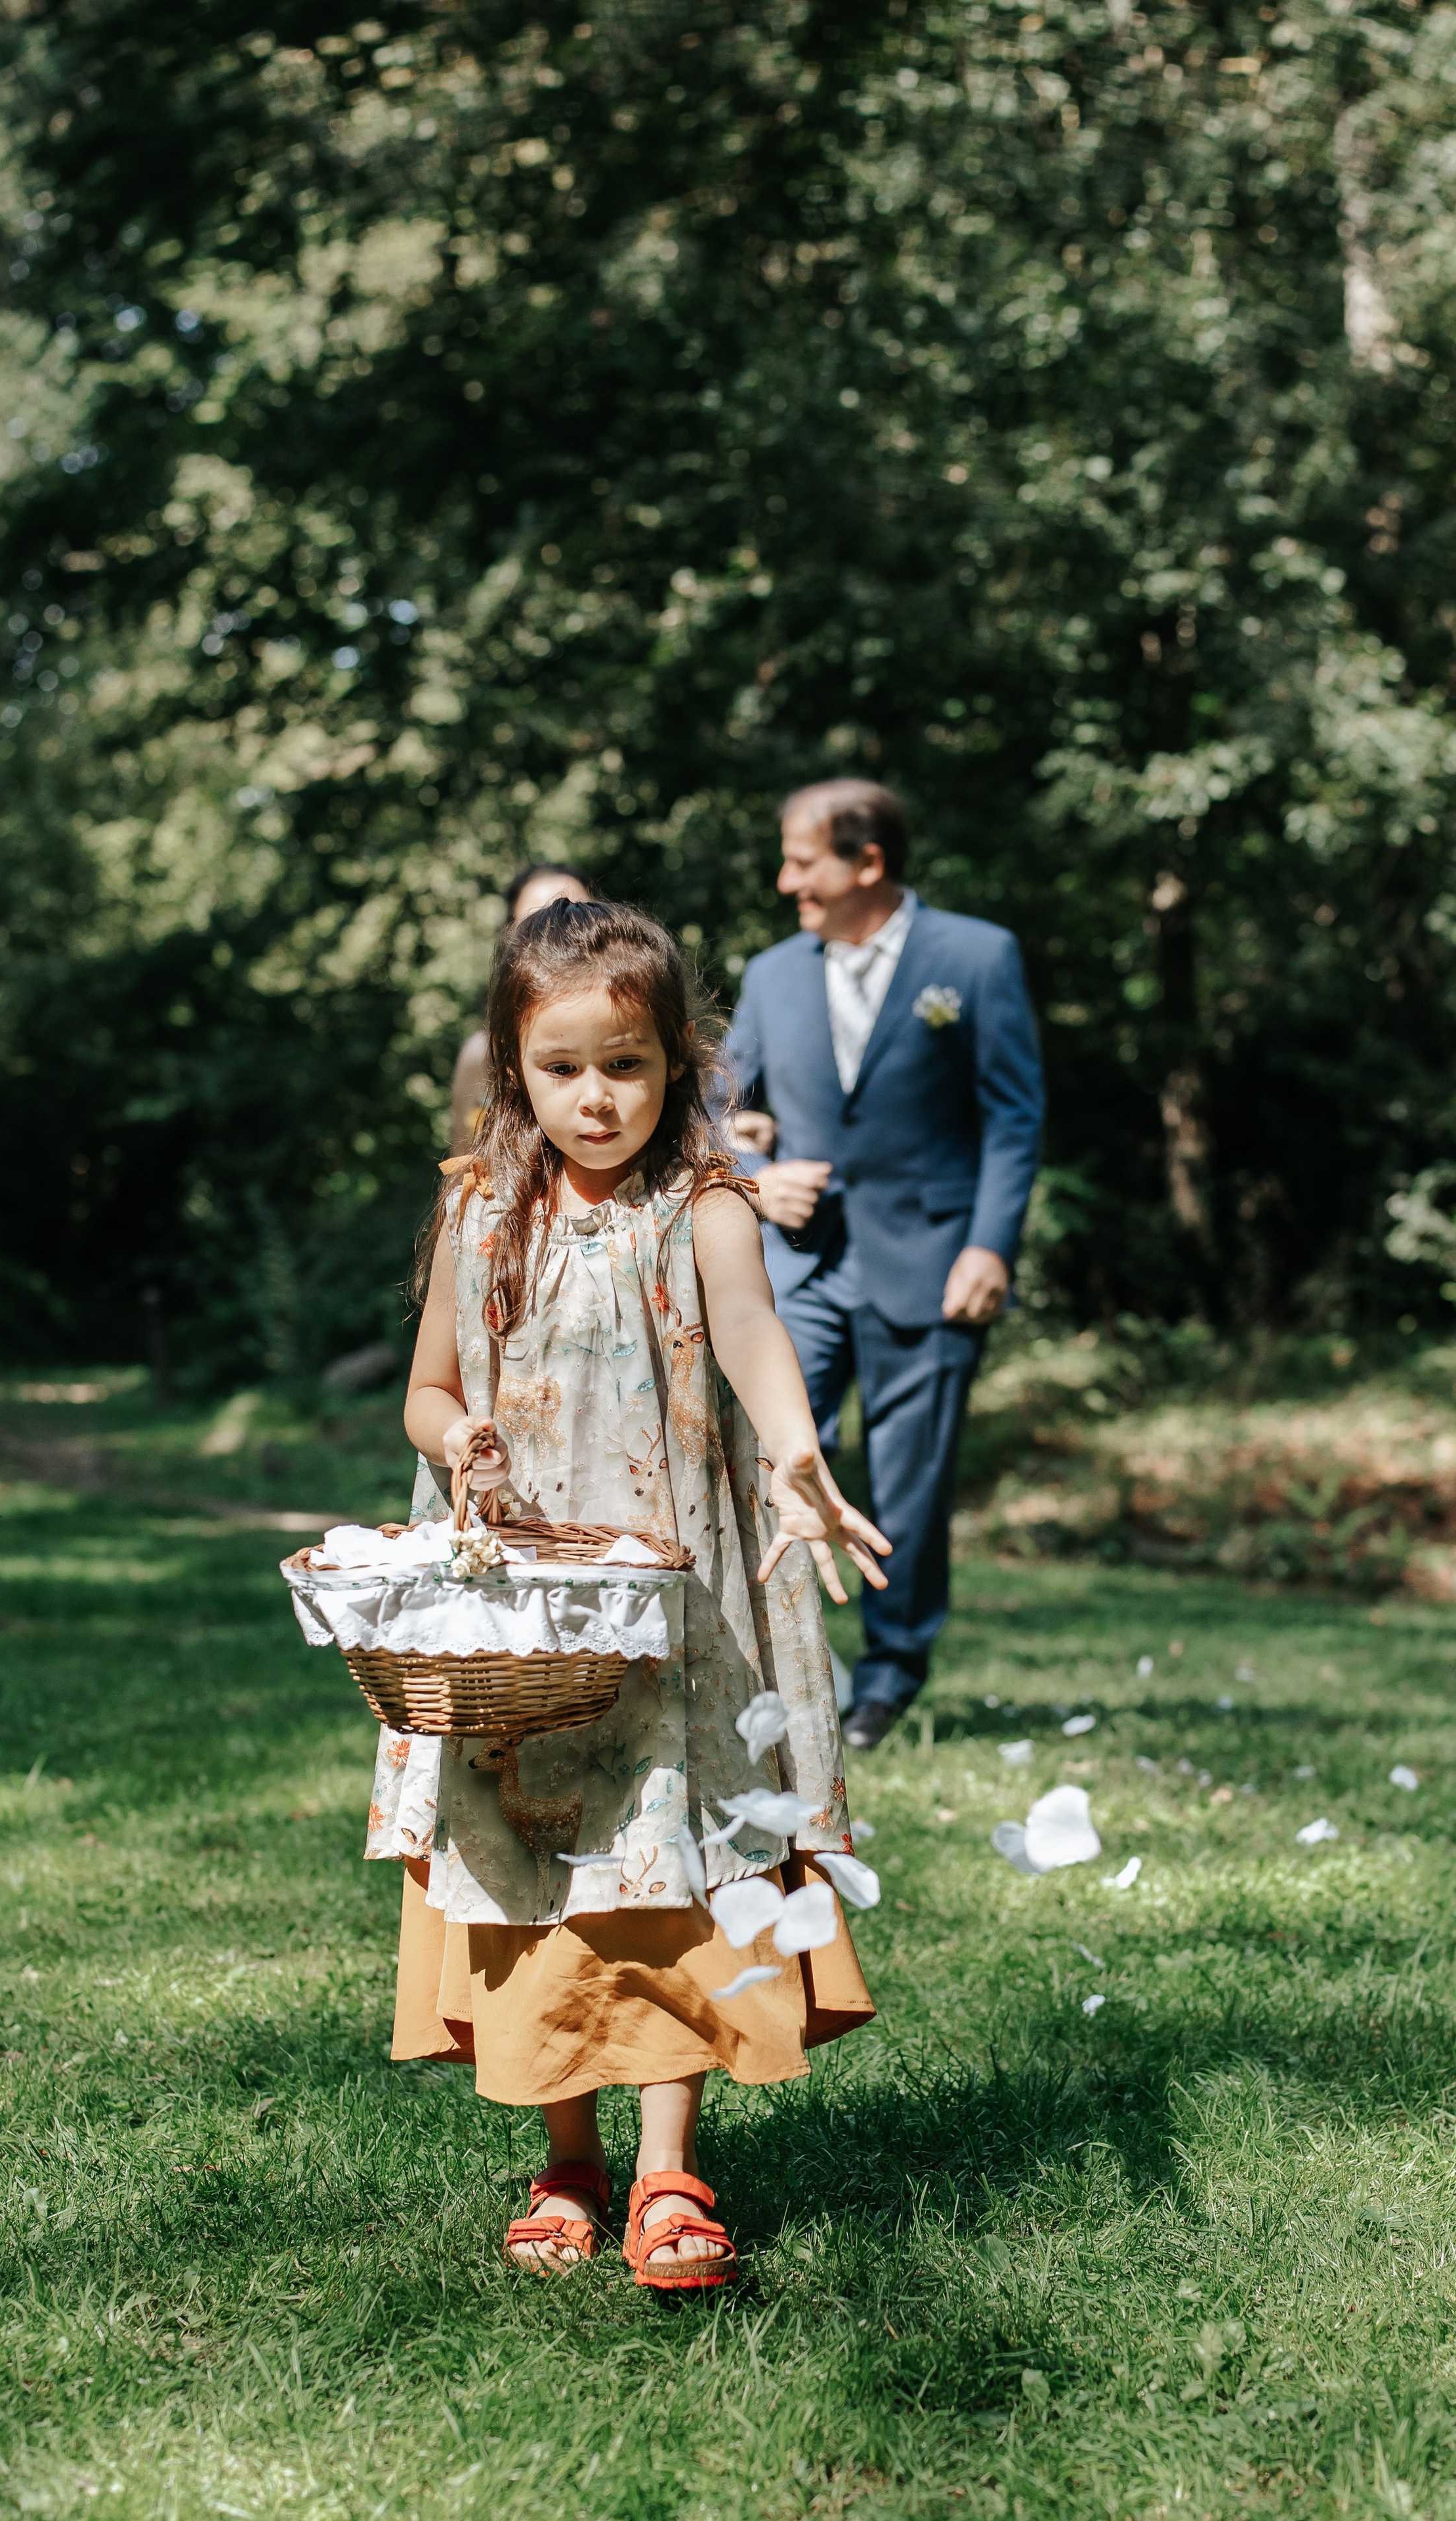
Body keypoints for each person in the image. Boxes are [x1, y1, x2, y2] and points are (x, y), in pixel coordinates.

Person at [372, 898, 890, 2288]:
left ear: (676, 1065)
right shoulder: (476, 1208)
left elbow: (754, 1338)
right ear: (510, 1064)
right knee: (534, 1865)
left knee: (662, 1875)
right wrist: (453, 1438)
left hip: (670, 1611)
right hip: (519, 1611)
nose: (595, 1098)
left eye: (628, 1065)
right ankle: (566, 2160)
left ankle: (667, 2166)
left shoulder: (700, 1207)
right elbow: (426, 1389)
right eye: (562, 1068)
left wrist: (793, 1454)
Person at [726, 778, 1044, 1751]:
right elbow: (713, 1104)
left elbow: (1014, 1114)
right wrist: (753, 1176)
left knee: (909, 1483)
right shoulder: (773, 974)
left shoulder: (976, 957)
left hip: (934, 1264)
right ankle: (770, 1671)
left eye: (804, 860)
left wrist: (991, 1243)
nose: (788, 882)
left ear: (868, 863)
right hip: (804, 1267)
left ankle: (890, 1676)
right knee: (773, 1457)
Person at [448, 862, 593, 1153]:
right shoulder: (483, 1055)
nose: (557, 934)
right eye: (536, 923)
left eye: (575, 915)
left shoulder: (651, 1032)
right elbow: (462, 1170)